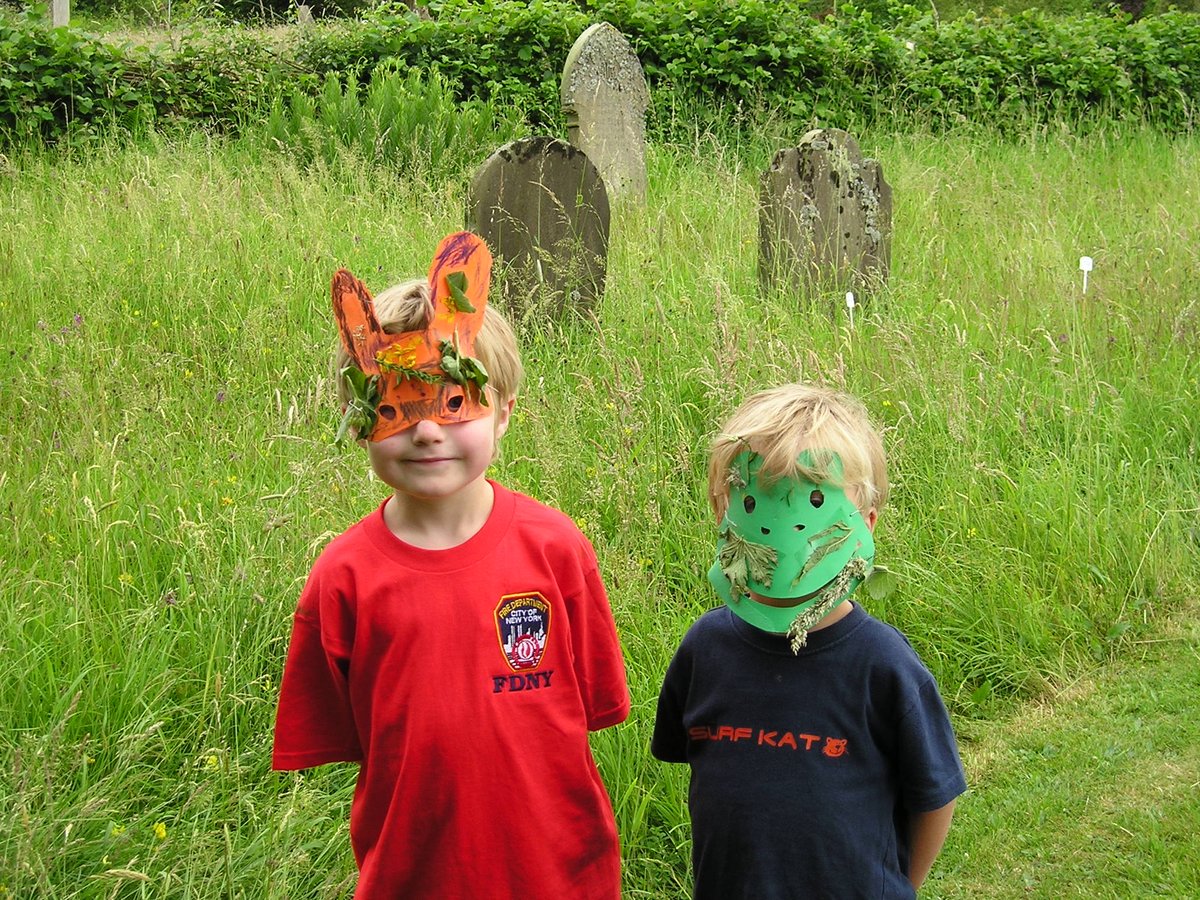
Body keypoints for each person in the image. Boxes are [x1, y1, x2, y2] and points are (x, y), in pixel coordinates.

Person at [273, 232, 630, 899]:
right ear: (358, 420)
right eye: (395, 405)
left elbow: (590, 709)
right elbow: (349, 735)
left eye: (454, 401)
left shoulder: (556, 550)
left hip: (558, 876)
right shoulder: (343, 578)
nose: (427, 430)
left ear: (503, 416)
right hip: (414, 878)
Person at [651, 383, 966, 899]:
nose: (784, 534)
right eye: (755, 504)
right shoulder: (705, 650)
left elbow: (935, 795)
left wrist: (897, 886)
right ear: (724, 515)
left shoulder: (883, 666)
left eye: (812, 505)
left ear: (866, 524)